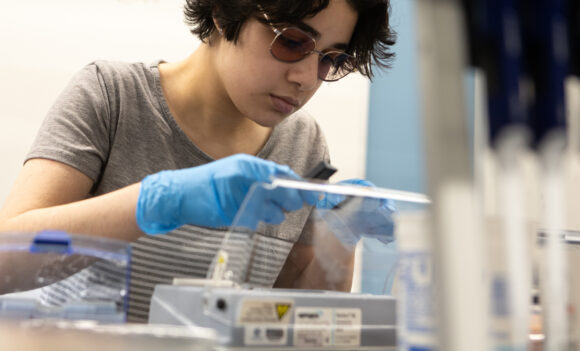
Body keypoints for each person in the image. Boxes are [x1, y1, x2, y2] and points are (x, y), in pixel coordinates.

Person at [0, 0, 396, 322]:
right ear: (225, 14)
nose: (307, 78)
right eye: (292, 41)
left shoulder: (303, 143)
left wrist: (339, 240)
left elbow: (292, 314)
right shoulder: (111, 96)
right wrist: (158, 200)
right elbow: (6, 259)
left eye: (331, 59)